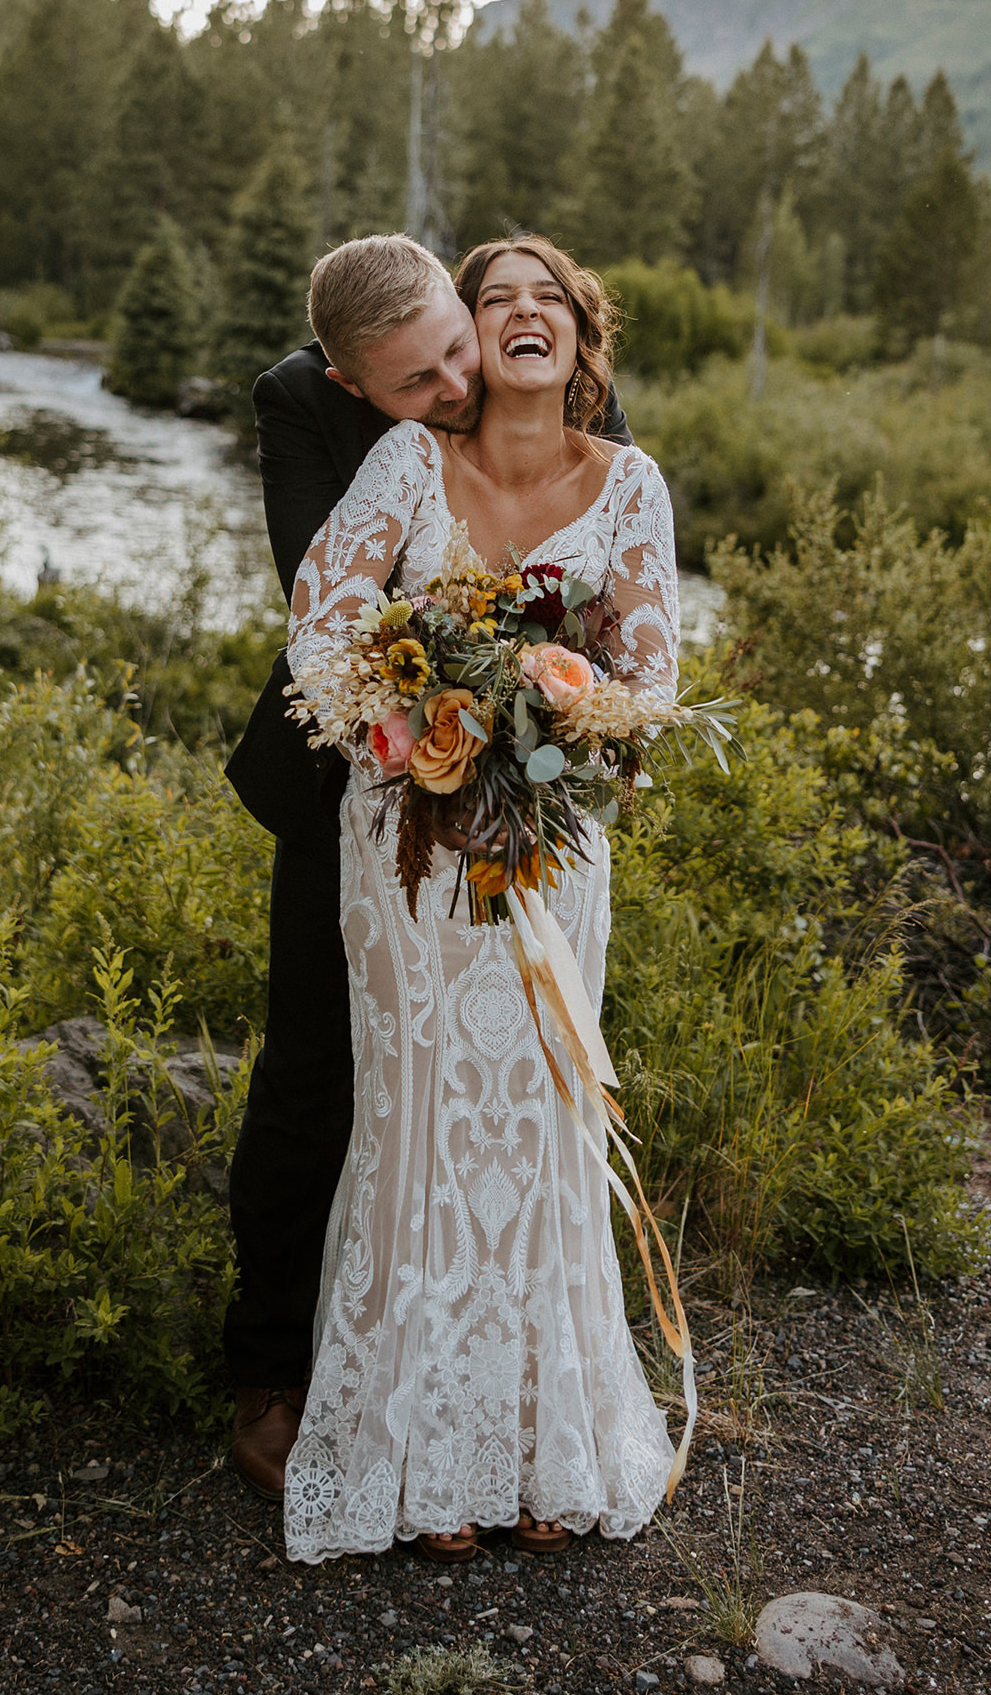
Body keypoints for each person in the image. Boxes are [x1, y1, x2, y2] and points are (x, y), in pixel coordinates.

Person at [279, 233, 679, 1564]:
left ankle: (545, 1442)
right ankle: (422, 1454)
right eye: (491, 295)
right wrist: (417, 720)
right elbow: (323, 626)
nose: (516, 313)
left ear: (577, 334)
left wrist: (554, 714)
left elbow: (651, 683)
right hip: (408, 844)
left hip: (556, 846)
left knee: (543, 1126)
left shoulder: (631, 486)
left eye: (543, 298)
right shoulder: (405, 462)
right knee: (426, 1124)